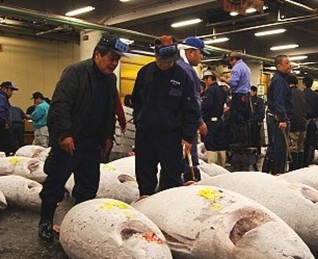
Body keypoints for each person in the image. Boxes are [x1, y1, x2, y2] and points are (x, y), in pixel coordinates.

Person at [38, 35, 129, 241]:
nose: (114, 64)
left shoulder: (110, 79)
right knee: (55, 182)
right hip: (70, 142)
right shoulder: (75, 72)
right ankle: (45, 221)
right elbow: (60, 105)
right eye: (111, 59)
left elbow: (109, 110)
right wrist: (64, 134)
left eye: (117, 60)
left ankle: (78, 224)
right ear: (97, 54)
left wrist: (107, 136)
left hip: (91, 143)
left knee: (88, 187)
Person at [131, 34, 200, 195]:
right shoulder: (145, 73)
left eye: (170, 61)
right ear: (156, 54)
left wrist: (187, 137)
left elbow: (191, 110)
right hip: (146, 134)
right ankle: (146, 201)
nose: (166, 64)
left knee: (172, 178)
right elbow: (136, 101)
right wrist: (140, 120)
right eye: (163, 60)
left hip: (172, 136)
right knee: (145, 176)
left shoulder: (183, 76)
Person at [177, 36, 209, 166]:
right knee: (189, 163)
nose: (201, 57)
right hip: (185, 125)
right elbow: (192, 101)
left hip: (173, 124)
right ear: (191, 52)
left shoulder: (176, 65)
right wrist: (200, 122)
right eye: (200, 53)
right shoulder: (188, 71)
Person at [262, 55, 293, 174]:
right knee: (280, 149)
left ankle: (267, 172)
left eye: (289, 62)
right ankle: (277, 174)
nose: (289, 65)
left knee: (274, 147)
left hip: (274, 117)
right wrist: (282, 119)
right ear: (278, 66)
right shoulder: (279, 81)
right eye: (286, 63)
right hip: (277, 119)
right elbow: (278, 101)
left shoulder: (279, 79)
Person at [219, 51, 252, 147]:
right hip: (245, 96)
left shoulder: (236, 68)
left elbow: (233, 83)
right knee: (244, 120)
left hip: (238, 96)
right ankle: (245, 142)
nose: (230, 63)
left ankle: (238, 142)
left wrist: (224, 80)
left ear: (234, 59)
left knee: (237, 119)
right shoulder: (246, 67)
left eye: (230, 61)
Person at [201, 70, 228, 166]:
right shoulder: (222, 90)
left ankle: (212, 168)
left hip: (210, 122)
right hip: (220, 121)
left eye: (205, 79)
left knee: (211, 145)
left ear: (209, 78)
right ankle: (222, 167)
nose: (205, 82)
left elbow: (206, 106)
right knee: (220, 144)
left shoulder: (209, 91)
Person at [286, 74, 307, 170]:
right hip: (302, 123)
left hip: (293, 124)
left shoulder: (289, 93)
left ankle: (293, 170)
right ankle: (301, 168)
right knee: (301, 147)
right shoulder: (302, 93)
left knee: (293, 147)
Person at [302, 76, 318, 167]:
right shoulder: (316, 95)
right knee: (312, 142)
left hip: (305, 121)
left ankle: (302, 161)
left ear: (304, 84)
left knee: (302, 142)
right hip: (315, 121)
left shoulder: (302, 94)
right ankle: (309, 160)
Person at [248, 85, 265, 170]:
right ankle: (251, 153)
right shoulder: (247, 100)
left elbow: (261, 112)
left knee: (256, 138)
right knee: (250, 138)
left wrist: (257, 120)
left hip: (256, 123)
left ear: (254, 92)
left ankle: (257, 152)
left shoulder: (259, 101)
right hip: (249, 123)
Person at [0, 81, 19, 155]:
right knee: (5, 148)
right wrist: (4, 122)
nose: (12, 93)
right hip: (2, 126)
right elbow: (1, 111)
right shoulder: (2, 97)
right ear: (5, 89)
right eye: (11, 90)